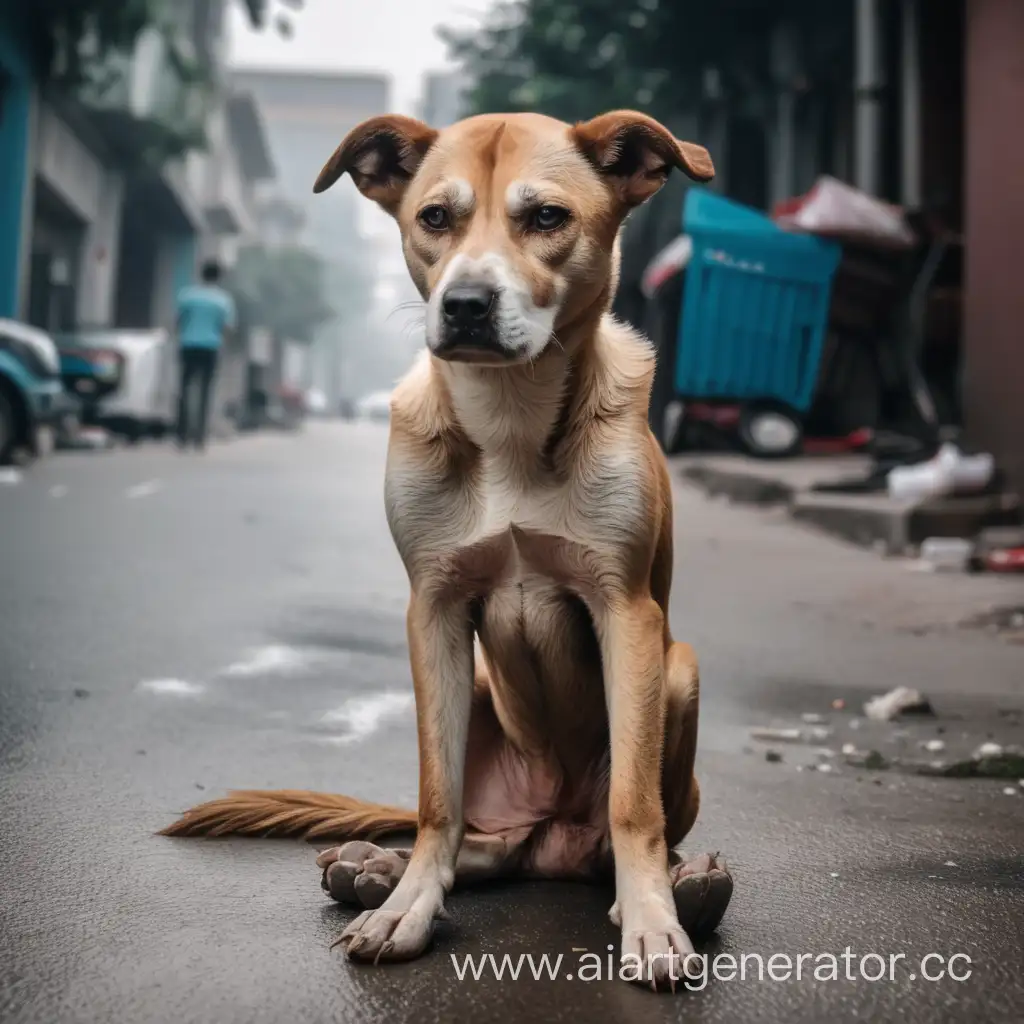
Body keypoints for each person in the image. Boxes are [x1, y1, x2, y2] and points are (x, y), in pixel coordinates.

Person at [175, 259, 236, 450]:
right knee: (205, 392)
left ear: (201, 274)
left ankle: (182, 435)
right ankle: (199, 437)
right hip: (210, 347)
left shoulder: (187, 295)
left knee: (184, 389)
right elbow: (227, 328)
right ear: (219, 277)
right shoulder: (223, 300)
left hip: (188, 344)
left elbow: (178, 321)